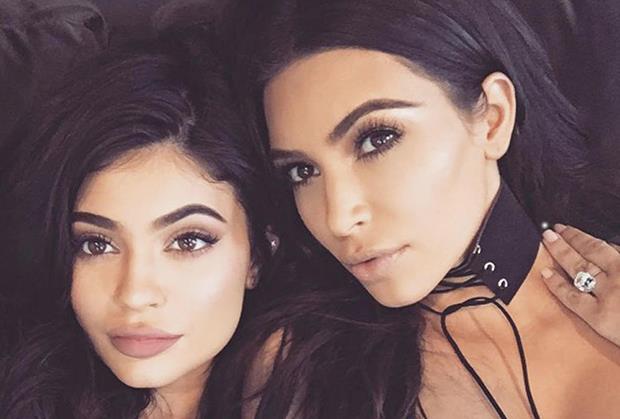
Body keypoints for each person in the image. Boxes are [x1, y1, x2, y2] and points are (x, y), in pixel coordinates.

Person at [224, 0, 620, 417]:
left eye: (376, 140)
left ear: (493, 118)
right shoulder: (303, 370)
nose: (337, 218)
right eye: (302, 171)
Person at [0, 36, 287, 419]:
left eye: (188, 241)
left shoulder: (323, 388)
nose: (134, 294)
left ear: (258, 256)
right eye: (96, 245)